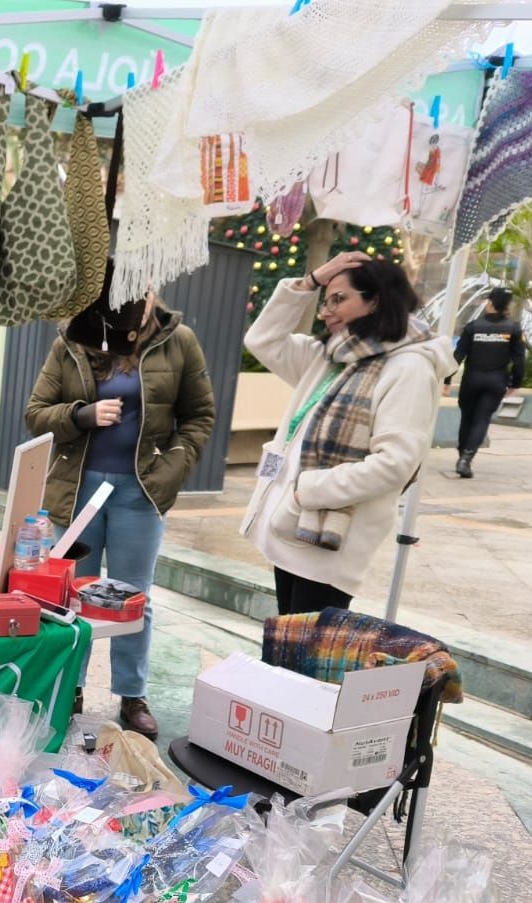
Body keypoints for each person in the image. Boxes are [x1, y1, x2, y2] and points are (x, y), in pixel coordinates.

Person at [24, 270, 216, 739]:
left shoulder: (180, 341)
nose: (137, 304)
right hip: (77, 490)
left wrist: (171, 468)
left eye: (143, 292)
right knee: (72, 596)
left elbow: (199, 415)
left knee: (134, 597)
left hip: (141, 492)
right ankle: (70, 689)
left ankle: (132, 695)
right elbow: (35, 412)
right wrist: (82, 415)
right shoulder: (74, 341)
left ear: (152, 293)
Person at [242, 251, 456, 616]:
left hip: (327, 541)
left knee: (304, 662)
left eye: (339, 299)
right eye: (326, 301)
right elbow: (262, 339)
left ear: (375, 301)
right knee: (285, 656)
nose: (327, 311)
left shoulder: (408, 368)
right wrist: (310, 281)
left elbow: (394, 465)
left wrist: (307, 491)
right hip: (290, 527)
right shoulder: (330, 357)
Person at [452, 285, 526, 478]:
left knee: (467, 418)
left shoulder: (473, 327)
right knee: (482, 419)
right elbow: (519, 359)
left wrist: (446, 379)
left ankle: (462, 457)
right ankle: (466, 459)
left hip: (471, 380)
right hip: (496, 381)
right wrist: (515, 383)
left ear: (490, 303)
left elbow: (458, 355)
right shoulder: (513, 329)